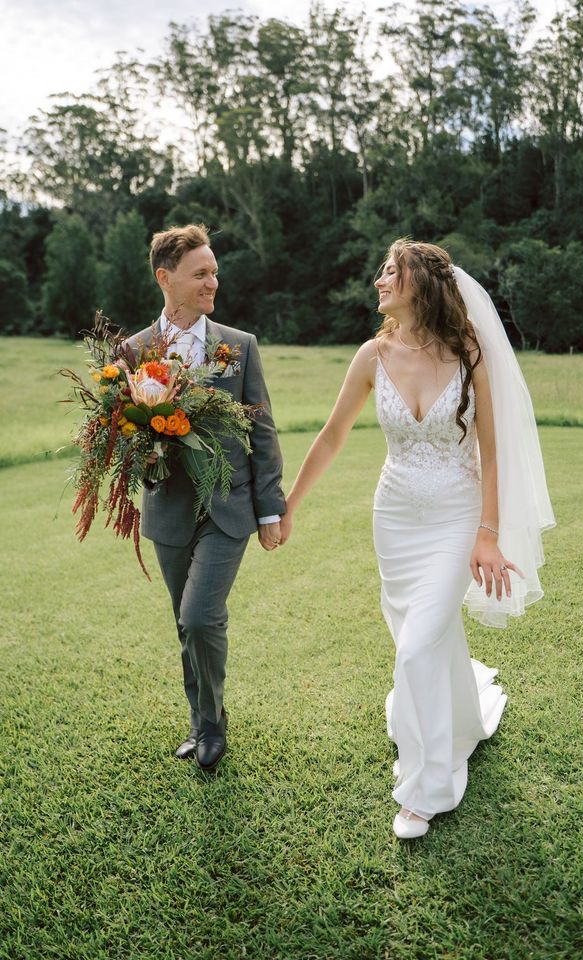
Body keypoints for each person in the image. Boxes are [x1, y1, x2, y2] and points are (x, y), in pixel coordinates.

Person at [279, 239, 554, 839]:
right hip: (395, 519)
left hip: (457, 518)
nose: (378, 281)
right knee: (415, 637)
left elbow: (492, 450)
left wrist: (488, 534)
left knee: (417, 644)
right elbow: (330, 437)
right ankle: (450, 718)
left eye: (389, 272)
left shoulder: (470, 353)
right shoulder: (371, 355)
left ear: (420, 285)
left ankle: (428, 786)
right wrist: (288, 505)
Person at [124, 224, 286, 772]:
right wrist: (139, 451)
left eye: (214, 271)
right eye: (201, 273)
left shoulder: (238, 347)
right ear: (165, 278)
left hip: (228, 507)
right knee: (182, 621)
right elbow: (122, 436)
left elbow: (261, 431)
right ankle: (200, 719)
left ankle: (212, 727)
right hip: (168, 509)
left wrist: (270, 508)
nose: (213, 281)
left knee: (199, 617)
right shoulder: (134, 351)